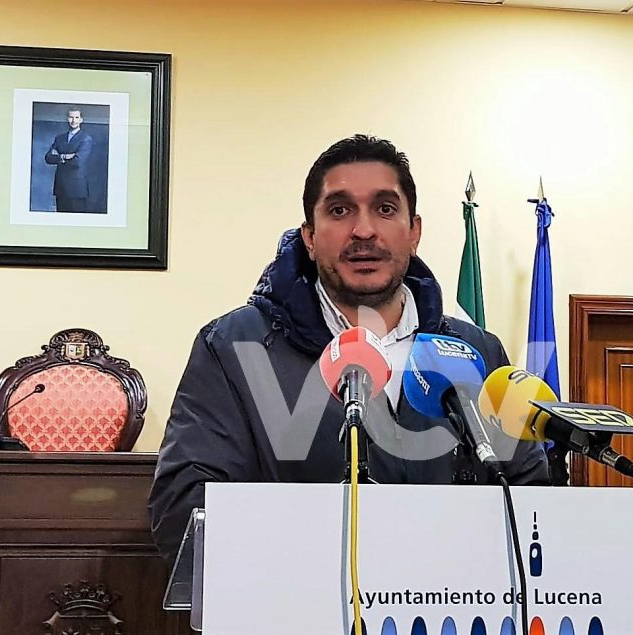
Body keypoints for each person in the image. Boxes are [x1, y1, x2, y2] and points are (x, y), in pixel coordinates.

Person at [148, 135, 549, 560]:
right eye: (340, 210)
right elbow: (185, 512)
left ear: (414, 232)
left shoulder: (477, 352)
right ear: (309, 236)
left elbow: (531, 501)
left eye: (385, 208)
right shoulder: (234, 347)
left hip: (454, 597)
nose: (364, 230)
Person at [43, 106, 92, 212]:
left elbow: (78, 161)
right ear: (67, 119)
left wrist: (59, 156)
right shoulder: (59, 138)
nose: (73, 120)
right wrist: (64, 156)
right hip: (61, 187)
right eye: (71, 117)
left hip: (77, 189)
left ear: (81, 120)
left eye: (76, 117)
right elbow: (48, 158)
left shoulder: (86, 138)